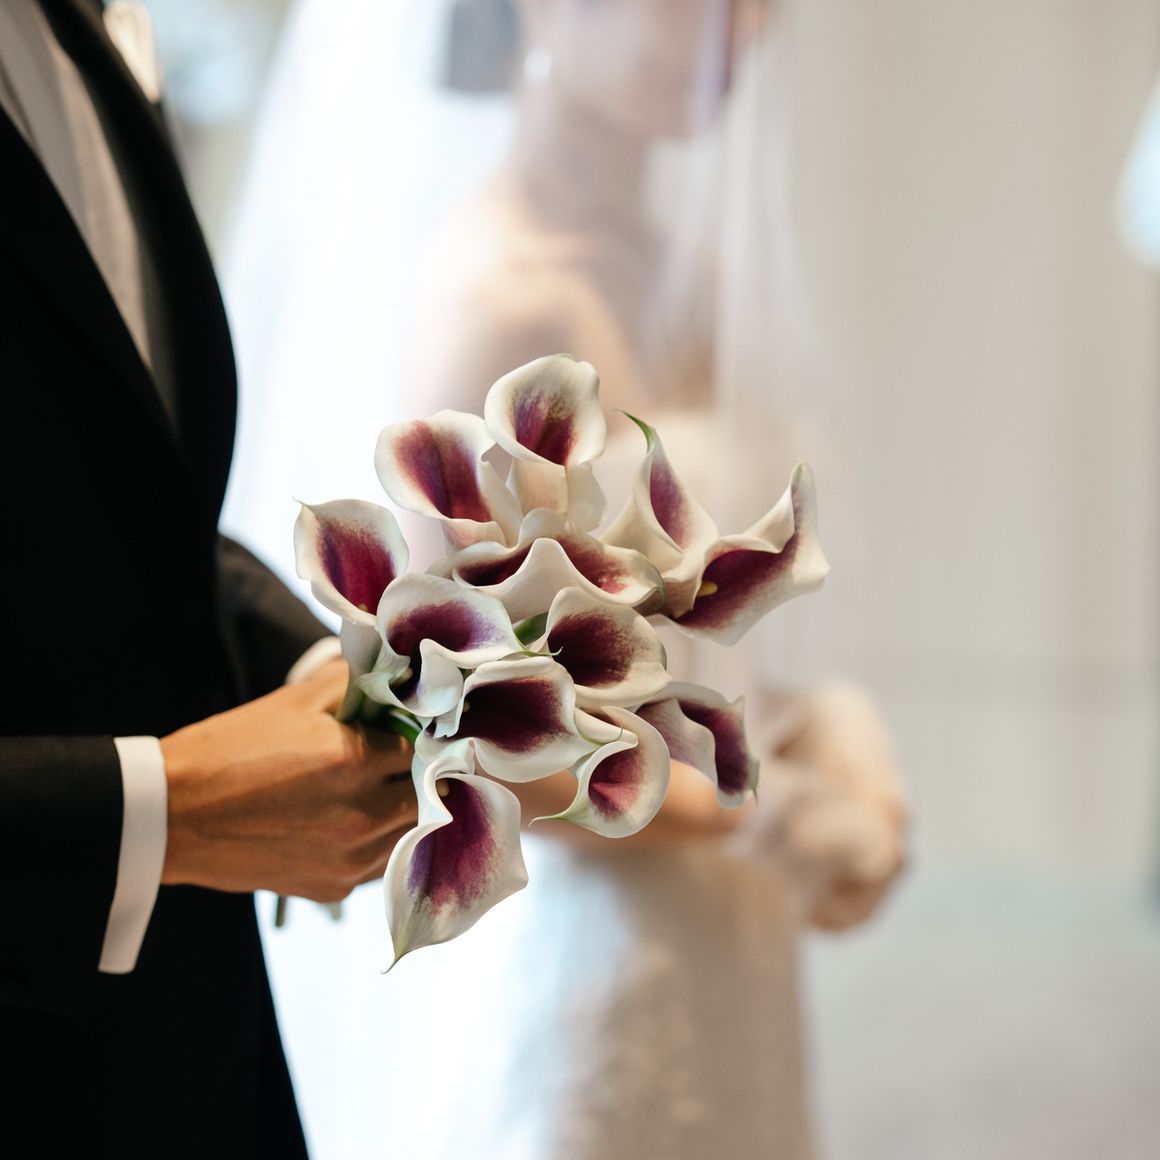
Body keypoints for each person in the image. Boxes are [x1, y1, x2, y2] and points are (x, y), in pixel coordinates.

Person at [225, 0, 906, 1156]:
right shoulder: (500, 299)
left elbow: (708, 627)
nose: (739, 31)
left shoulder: (692, 275)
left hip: (726, 925)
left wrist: (826, 733)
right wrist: (762, 811)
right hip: (584, 938)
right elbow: (454, 719)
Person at [0, 2, 417, 1154]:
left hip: (195, 1063)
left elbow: (111, 513)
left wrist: (323, 663)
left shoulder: (78, 34)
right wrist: (163, 811)